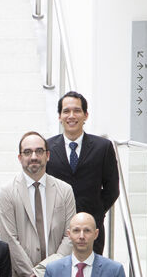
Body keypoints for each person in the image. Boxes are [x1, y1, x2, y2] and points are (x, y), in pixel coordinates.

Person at [0, 132, 76, 277]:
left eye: (39, 151)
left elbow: (70, 236)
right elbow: (9, 239)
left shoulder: (65, 190)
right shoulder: (7, 192)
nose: (33, 156)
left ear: (47, 155)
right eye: (28, 152)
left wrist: (43, 274)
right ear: (20, 157)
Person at [46, 91, 120, 254]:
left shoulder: (103, 147)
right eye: (66, 111)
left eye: (77, 111)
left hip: (90, 229)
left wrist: (95, 212)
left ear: (86, 115)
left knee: (90, 276)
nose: (71, 116)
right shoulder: (47, 148)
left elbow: (112, 189)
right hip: (58, 230)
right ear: (59, 116)